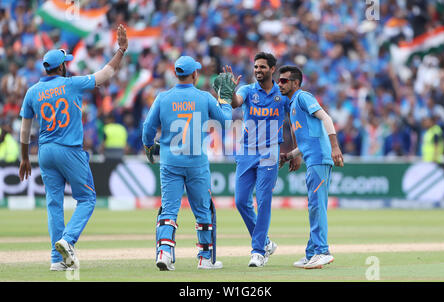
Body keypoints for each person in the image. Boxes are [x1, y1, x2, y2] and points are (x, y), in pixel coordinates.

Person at [18, 25, 128, 271]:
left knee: (54, 203)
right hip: (69, 149)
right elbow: (106, 73)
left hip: (44, 152)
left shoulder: (32, 92)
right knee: (87, 198)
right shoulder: (72, 84)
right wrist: (121, 50)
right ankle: (67, 241)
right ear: (61, 67)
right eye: (65, 62)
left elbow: (25, 130)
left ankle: (56, 260)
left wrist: (24, 158)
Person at [142, 55, 232, 271]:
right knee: (202, 210)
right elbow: (225, 123)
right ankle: (205, 258)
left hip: (170, 161)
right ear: (194, 74)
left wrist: (148, 147)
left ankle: (164, 252)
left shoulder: (162, 98)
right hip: (196, 162)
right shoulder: (204, 97)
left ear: (175, 74)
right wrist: (226, 98)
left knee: (169, 209)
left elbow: (147, 129)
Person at [220, 52, 300, 267]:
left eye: (262, 67)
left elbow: (293, 123)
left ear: (272, 69)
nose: (258, 70)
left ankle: (257, 251)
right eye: (256, 67)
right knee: (240, 201)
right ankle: (265, 242)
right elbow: (236, 102)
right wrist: (229, 90)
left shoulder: (281, 94)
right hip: (246, 151)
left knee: (263, 201)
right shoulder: (247, 89)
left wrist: (296, 150)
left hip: (270, 151)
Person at [277, 65, 344, 269]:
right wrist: (290, 155)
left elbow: (326, 118)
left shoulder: (303, 97)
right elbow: (306, 142)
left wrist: (335, 147)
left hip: (320, 158)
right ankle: (311, 253)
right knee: (314, 204)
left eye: (284, 81)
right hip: (313, 158)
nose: (280, 84)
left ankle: (322, 251)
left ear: (296, 83)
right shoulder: (293, 104)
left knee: (316, 205)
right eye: (279, 80)